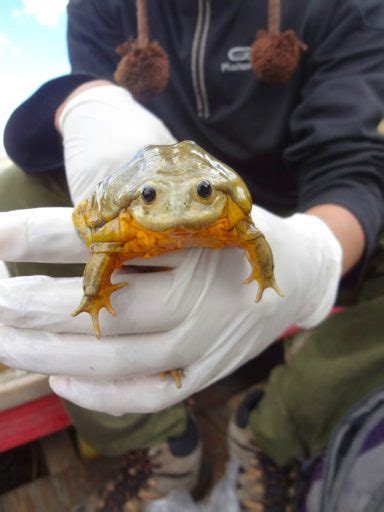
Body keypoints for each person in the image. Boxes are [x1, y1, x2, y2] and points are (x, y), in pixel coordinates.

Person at [1, 0, 383, 510]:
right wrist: (81, 98)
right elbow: (62, 134)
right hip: (149, 196)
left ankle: (273, 432)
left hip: (277, 206)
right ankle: (158, 442)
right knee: (17, 190)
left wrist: (314, 258)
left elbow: (351, 165)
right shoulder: (98, 6)